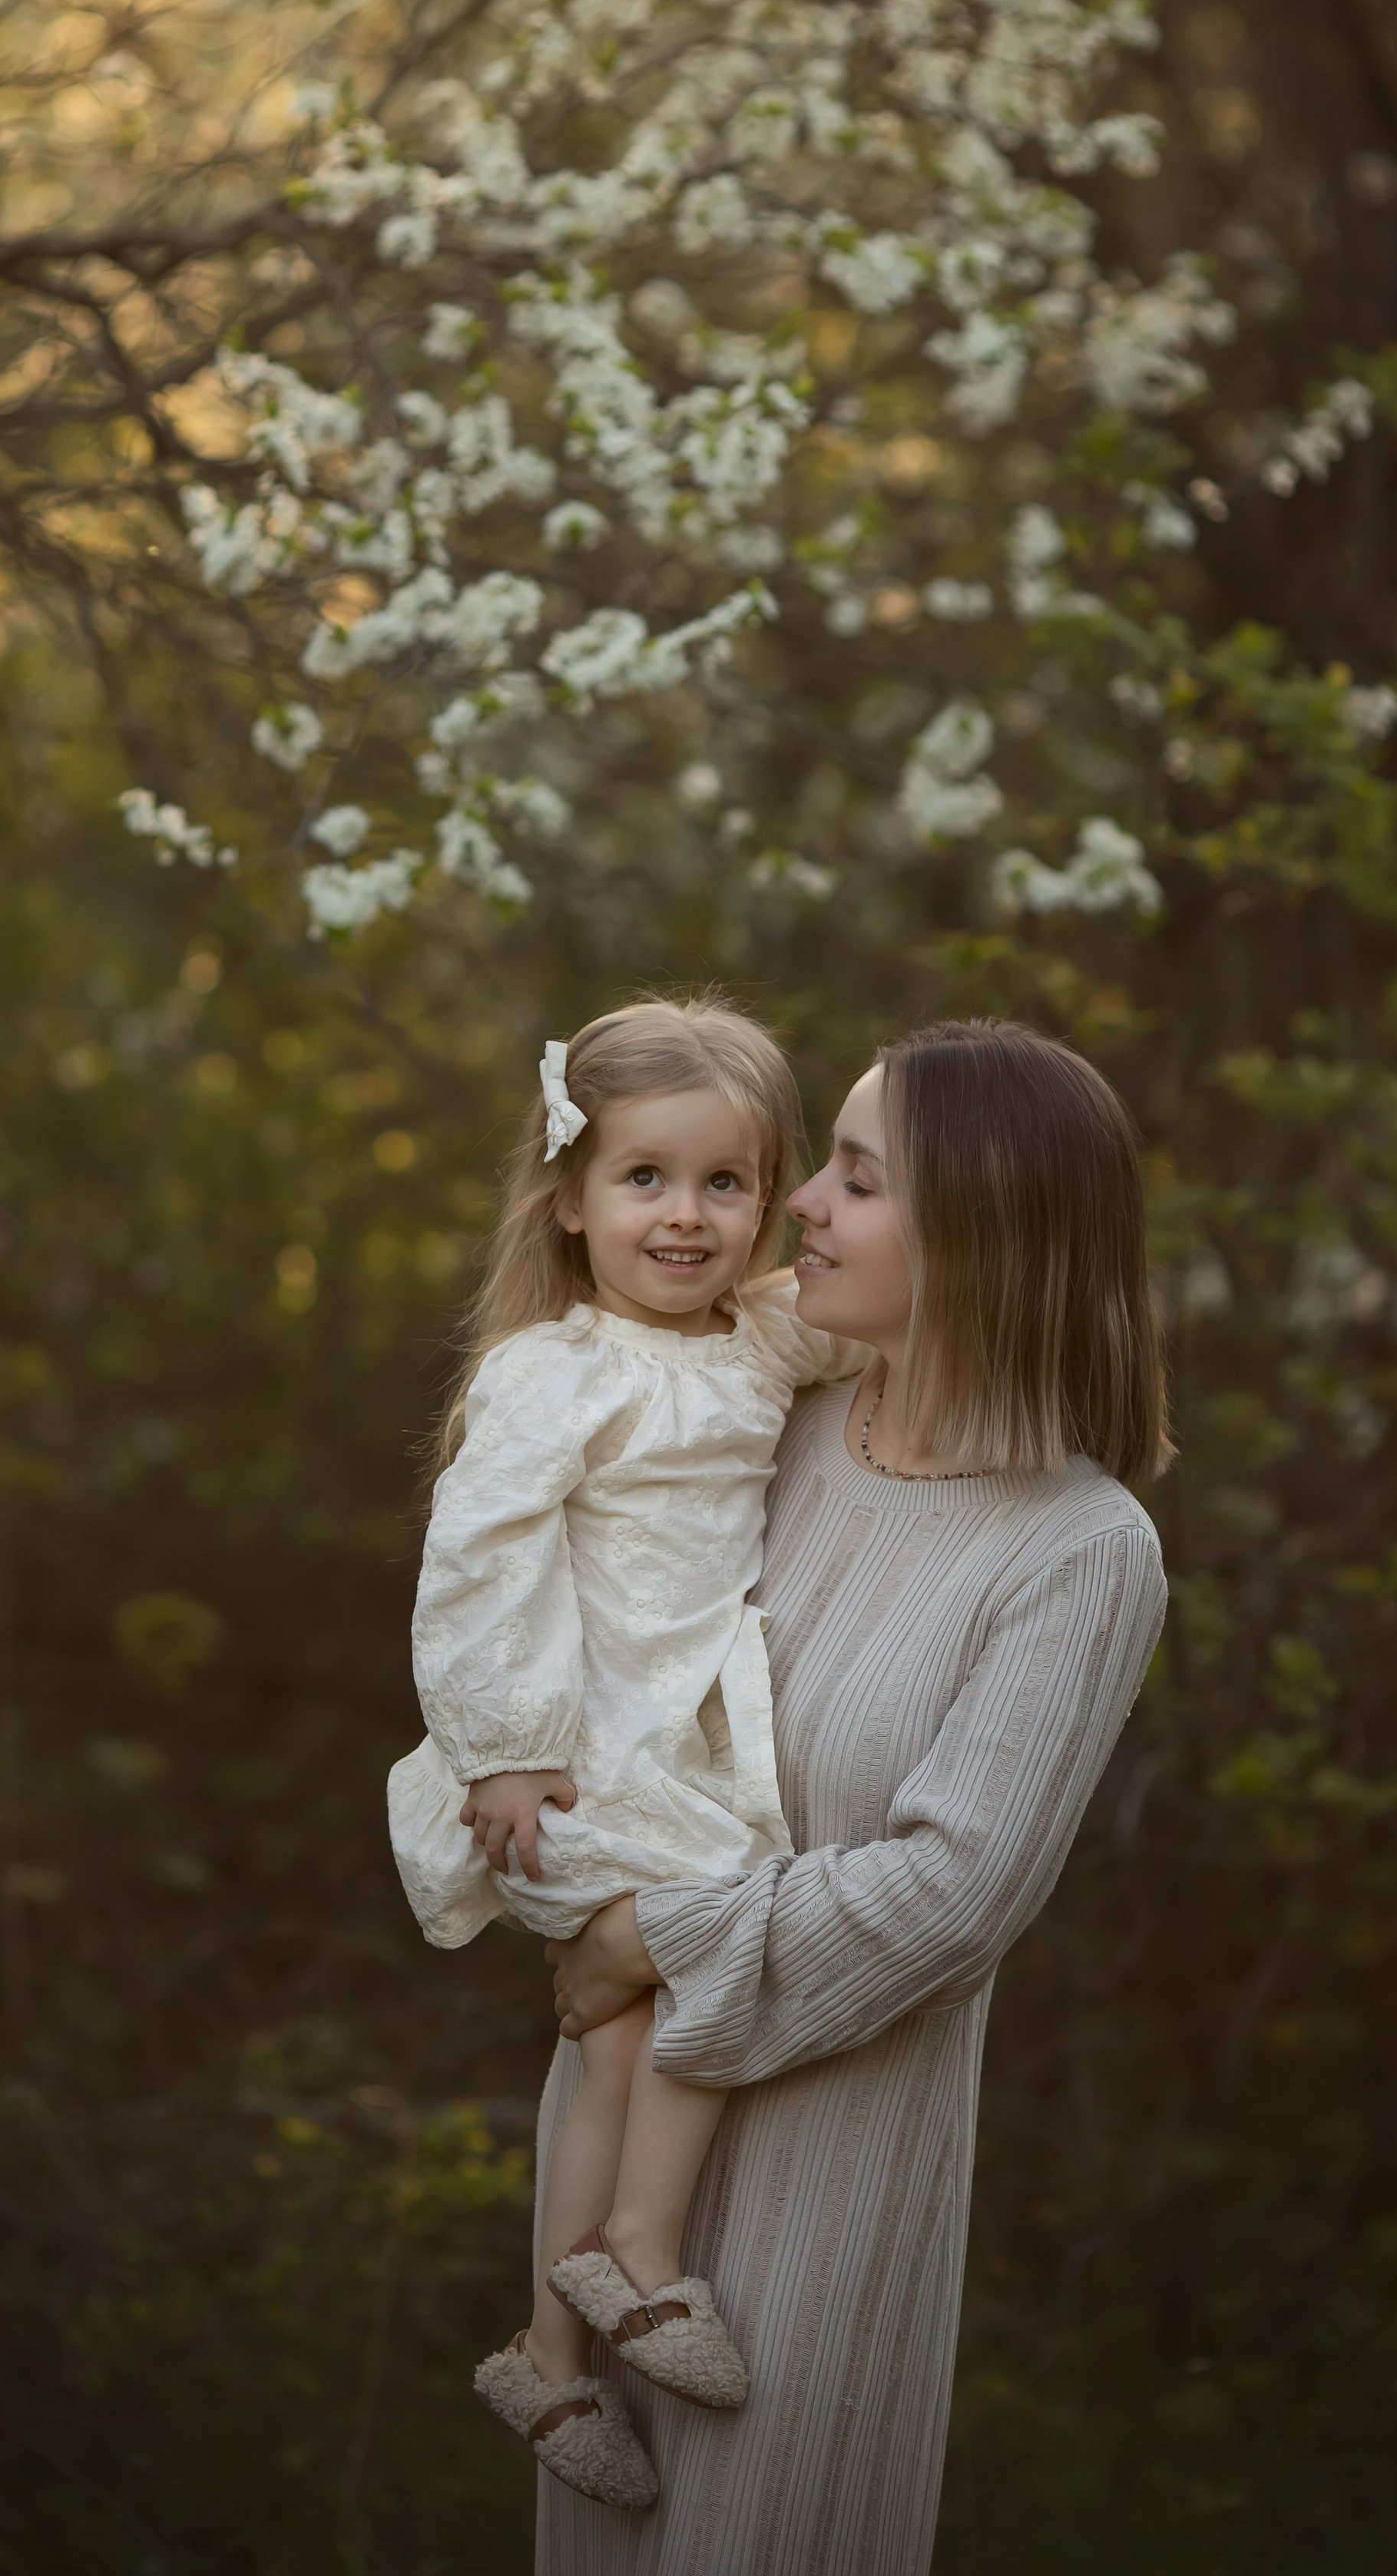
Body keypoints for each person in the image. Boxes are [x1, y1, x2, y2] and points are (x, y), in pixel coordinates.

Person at [532, 1017, 1171, 2574]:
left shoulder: (1079, 1552)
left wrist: (651, 1937)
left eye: (857, 1180)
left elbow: (950, 1893)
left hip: (832, 2179)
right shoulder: (768, 1429)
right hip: (615, 2134)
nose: (798, 1203)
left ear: (980, 1237)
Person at [388, 997, 866, 2511]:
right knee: (698, 1961)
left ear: (768, 1195)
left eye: (725, 1183)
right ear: (570, 1197)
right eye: (644, 1178)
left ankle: (548, 2352)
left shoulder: (757, 1340)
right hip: (569, 1754)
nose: (684, 1217)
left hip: (678, 1744)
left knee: (621, 2040)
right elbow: (480, 1563)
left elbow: (887, 1312)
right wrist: (503, 1751)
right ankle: (639, 2255)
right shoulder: (553, 1372)